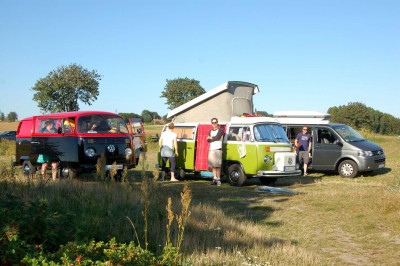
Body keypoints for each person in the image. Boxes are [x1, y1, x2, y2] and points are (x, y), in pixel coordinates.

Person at [207, 118, 224, 186]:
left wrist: (211, 138)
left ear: (217, 123)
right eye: (212, 123)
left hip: (217, 149)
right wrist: (211, 138)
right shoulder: (210, 131)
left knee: (218, 165)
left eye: (215, 122)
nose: (214, 124)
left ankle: (219, 179)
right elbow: (208, 140)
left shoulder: (221, 130)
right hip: (211, 149)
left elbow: (218, 137)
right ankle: (214, 178)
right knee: (213, 165)